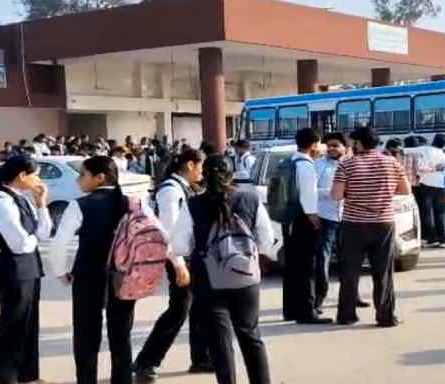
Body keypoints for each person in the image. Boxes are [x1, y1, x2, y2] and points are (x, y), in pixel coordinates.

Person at [167, 154, 272, 384]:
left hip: (209, 279)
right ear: (232, 175)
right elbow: (266, 240)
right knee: (251, 335)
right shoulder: (250, 198)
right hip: (245, 277)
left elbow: (179, 246)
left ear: (204, 176)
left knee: (220, 340)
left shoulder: (194, 204)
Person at [49, 156, 139, 384]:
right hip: (123, 276)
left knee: (86, 336)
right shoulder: (132, 203)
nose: (78, 180)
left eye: (83, 175)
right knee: (121, 335)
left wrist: (61, 272)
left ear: (100, 178)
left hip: (88, 275)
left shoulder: (79, 205)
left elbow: (59, 244)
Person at [134, 149, 214, 380]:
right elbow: (168, 230)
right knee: (179, 310)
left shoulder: (184, 188)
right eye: (200, 167)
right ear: (190, 165)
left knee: (199, 308)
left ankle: (200, 358)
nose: (202, 172)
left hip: (189, 257)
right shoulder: (171, 190)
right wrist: (178, 264)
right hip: (178, 259)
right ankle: (146, 362)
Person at [0, 155, 52, 384]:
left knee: (29, 327)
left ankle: (27, 376)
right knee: (12, 330)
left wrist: (41, 203)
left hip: (29, 269)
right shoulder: (1, 203)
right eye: (35, 175)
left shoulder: (21, 199)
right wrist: (32, 238)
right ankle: (6, 379)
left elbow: (44, 232)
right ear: (22, 175)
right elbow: (19, 244)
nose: (38, 180)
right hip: (12, 272)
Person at [332, 127, 409, 327]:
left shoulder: (346, 165)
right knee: (383, 272)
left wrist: (354, 193)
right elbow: (405, 189)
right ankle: (385, 316)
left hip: (353, 224)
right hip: (383, 223)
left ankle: (346, 315)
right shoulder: (392, 163)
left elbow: (336, 195)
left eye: (353, 142)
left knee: (350, 271)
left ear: (358, 143)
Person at [313, 133, 370, 313]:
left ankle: (353, 296)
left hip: (349, 218)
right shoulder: (318, 165)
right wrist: (334, 192)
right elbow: (312, 190)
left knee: (350, 260)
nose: (331, 148)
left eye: (335, 145)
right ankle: (318, 299)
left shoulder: (354, 164)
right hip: (325, 218)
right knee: (322, 259)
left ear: (345, 148)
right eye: (329, 145)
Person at [282, 128, 332, 325]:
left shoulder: (290, 161)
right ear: (313, 145)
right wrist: (314, 218)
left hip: (289, 218)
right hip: (303, 219)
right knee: (306, 266)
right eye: (319, 143)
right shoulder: (305, 165)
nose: (321, 148)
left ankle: (291, 310)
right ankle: (306, 311)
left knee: (292, 266)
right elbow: (308, 195)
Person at [416, 133, 445, 247]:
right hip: (440, 187)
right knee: (439, 214)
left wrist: (430, 169)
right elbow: (443, 173)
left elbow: (419, 169)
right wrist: (435, 169)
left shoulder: (426, 149)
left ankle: (431, 238)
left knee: (426, 213)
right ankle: (442, 238)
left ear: (434, 140)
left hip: (426, 185)